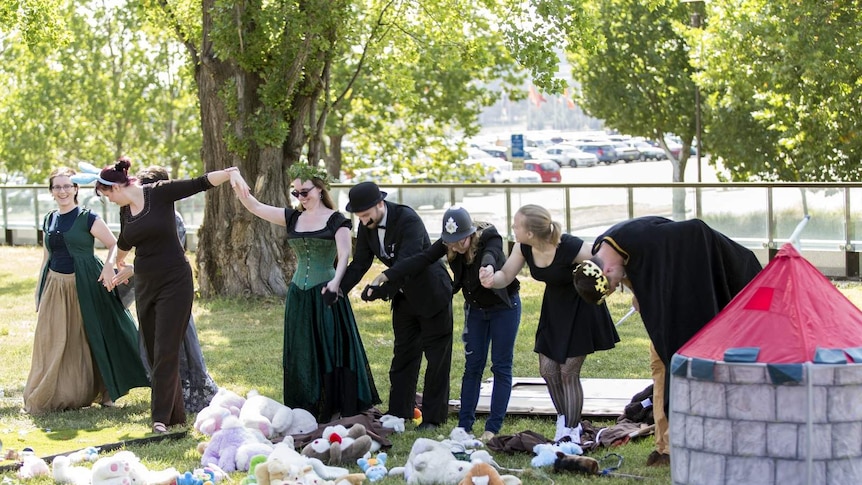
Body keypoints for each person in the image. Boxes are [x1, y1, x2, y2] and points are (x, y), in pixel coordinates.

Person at [573, 215, 762, 465]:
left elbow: (693, 238)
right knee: (661, 368)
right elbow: (644, 278)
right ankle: (666, 446)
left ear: (606, 270)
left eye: (616, 283)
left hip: (708, 281)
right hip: (668, 307)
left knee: (674, 367)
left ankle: (682, 443)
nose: (620, 285)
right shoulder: (604, 247)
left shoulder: (653, 245)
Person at [98, 157, 249, 433]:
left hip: (175, 281)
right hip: (146, 282)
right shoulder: (126, 210)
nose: (107, 201)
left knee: (166, 348)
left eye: (105, 196)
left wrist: (230, 174)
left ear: (115, 189)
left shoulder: (158, 193)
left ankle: (159, 419)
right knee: (154, 352)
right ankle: (176, 414)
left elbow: (199, 183)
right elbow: (125, 240)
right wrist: (114, 262)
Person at [231, 164, 380, 422]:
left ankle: (332, 405)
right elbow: (255, 206)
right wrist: (235, 178)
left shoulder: (337, 220)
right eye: (296, 193)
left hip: (325, 293)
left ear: (320, 189)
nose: (300, 197)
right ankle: (305, 406)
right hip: (299, 296)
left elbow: (345, 254)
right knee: (302, 349)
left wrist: (336, 284)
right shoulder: (292, 218)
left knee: (330, 349)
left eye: (305, 191)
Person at [369, 207, 520, 441]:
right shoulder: (448, 243)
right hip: (476, 310)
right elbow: (421, 259)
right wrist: (389, 275)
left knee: (501, 365)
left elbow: (492, 253)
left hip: (504, 308)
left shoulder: (489, 236)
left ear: (471, 233)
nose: (457, 246)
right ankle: (464, 426)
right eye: (451, 242)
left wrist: (487, 268)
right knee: (473, 366)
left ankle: (492, 427)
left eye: (462, 240)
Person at [478, 204, 619, 443]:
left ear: (531, 232)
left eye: (517, 224)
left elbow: (604, 264)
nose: (513, 227)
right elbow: (506, 275)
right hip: (554, 310)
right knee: (547, 370)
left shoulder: (570, 246)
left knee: (568, 372)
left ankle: (572, 433)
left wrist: (608, 286)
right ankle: (564, 422)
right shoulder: (524, 247)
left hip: (581, 310)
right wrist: (492, 279)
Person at [23, 167, 149, 414]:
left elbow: (114, 244)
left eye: (67, 186)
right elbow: (46, 256)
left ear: (76, 189)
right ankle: (60, 390)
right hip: (56, 286)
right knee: (55, 340)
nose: (63, 191)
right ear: (51, 191)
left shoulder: (87, 218)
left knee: (95, 335)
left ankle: (108, 390)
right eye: (57, 187)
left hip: (86, 285)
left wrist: (110, 267)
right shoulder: (49, 218)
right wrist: (39, 291)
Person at [340, 182, 454, 431]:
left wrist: (384, 287)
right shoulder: (367, 224)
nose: (362, 219)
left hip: (431, 293)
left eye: (365, 213)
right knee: (403, 354)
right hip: (404, 299)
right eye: (358, 215)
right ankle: (399, 411)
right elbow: (360, 263)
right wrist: (339, 290)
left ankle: (433, 418)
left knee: (437, 359)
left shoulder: (407, 219)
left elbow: (409, 261)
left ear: (380, 204)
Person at [113, 165, 219, 414]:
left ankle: (189, 394)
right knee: (155, 347)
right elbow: (132, 246)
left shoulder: (172, 218)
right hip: (150, 288)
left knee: (180, 345)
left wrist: (133, 270)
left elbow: (167, 256)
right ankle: (165, 396)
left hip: (172, 290)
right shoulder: (130, 211)